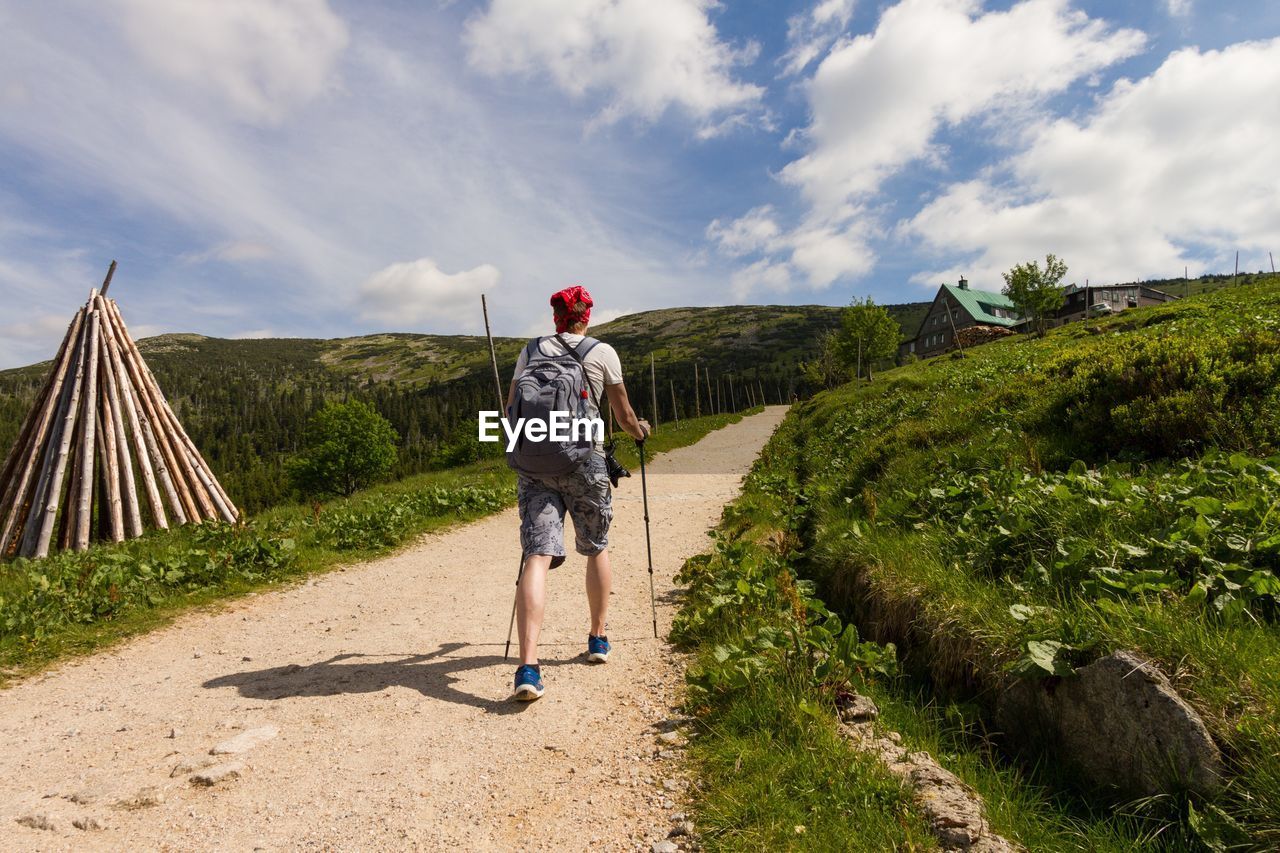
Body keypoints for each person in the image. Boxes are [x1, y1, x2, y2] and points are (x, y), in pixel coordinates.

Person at [506, 285, 650, 700]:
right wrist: (640, 430)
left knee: (537, 555)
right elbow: (623, 416)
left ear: (555, 316)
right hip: (586, 461)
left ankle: (528, 668)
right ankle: (597, 639)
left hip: (534, 464)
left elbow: (511, 407)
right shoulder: (602, 352)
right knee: (595, 546)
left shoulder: (530, 350)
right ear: (586, 316)